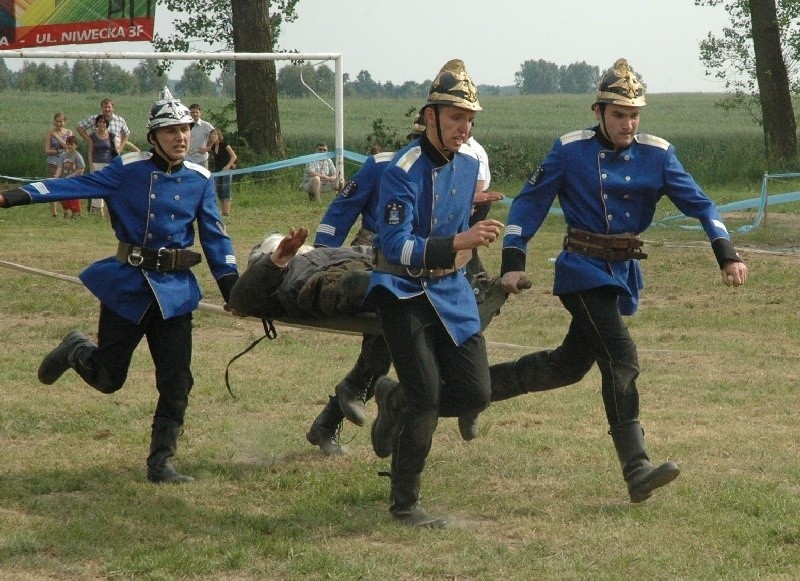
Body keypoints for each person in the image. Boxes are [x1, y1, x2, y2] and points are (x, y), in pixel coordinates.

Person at [489, 58, 749, 504]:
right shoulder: (569, 150)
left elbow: (703, 205)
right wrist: (513, 261)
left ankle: (439, 396)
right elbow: (528, 205)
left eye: (634, 115)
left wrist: (726, 253)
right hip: (581, 271)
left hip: (622, 274)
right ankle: (636, 468)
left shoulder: (658, 154)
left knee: (565, 368)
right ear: (598, 112)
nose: (628, 124)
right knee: (622, 358)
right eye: (619, 115)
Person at [0, 87, 240, 484]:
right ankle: (77, 348)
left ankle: (161, 462)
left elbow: (216, 239)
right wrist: (13, 197)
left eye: (185, 130)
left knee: (177, 379)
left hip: (176, 295)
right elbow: (70, 187)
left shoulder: (200, 180)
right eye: (171, 131)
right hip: (128, 288)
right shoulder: (127, 171)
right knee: (109, 378)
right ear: (153, 138)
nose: (181, 138)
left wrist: (233, 288)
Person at [226, 227, 510, 458]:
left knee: (401, 301)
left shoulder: (323, 251)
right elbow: (239, 301)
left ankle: (453, 303)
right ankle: (374, 292)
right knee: (339, 289)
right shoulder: (276, 274)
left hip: (373, 267)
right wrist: (277, 261)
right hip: (325, 281)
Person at [365, 59, 504, 529]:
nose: (463, 128)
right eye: (454, 118)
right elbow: (395, 244)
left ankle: (393, 400)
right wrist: (459, 243)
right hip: (400, 290)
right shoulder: (400, 169)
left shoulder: (468, 167)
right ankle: (405, 504)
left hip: (450, 288)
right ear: (430, 117)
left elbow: (459, 226)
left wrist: (468, 247)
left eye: (469, 119)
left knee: (476, 393)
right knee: (426, 397)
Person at [87, 114, 118, 218]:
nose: (102, 124)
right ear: (97, 123)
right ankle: (98, 211)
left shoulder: (111, 135)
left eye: (104, 122)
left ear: (107, 124)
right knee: (97, 187)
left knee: (109, 187)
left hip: (109, 164)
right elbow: (90, 151)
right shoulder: (93, 136)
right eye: (100, 122)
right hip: (97, 163)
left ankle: (111, 210)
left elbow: (115, 150)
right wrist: (91, 165)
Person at [44, 112, 72, 218]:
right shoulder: (49, 133)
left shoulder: (69, 133)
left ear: (64, 122)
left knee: (64, 187)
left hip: (65, 164)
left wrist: (56, 135)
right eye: (57, 121)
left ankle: (67, 209)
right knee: (52, 187)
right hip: (52, 163)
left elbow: (68, 147)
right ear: (54, 121)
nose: (59, 124)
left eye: (61, 121)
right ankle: (54, 212)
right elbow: (47, 150)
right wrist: (59, 151)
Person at [53, 135, 85, 218]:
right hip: (64, 180)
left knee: (73, 197)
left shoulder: (78, 156)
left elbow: (81, 169)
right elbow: (60, 166)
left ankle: (76, 212)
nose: (70, 146)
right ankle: (66, 211)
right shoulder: (63, 155)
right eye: (68, 144)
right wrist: (56, 176)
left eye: (72, 144)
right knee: (63, 196)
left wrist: (70, 176)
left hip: (75, 181)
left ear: (76, 145)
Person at [208, 128, 237, 217]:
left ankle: (226, 213)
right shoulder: (213, 146)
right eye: (212, 135)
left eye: (215, 134)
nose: (213, 136)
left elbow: (233, 156)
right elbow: (205, 149)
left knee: (226, 189)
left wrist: (228, 166)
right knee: (219, 190)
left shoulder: (225, 144)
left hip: (226, 171)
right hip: (217, 171)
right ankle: (222, 211)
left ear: (219, 136)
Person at [187, 103, 214, 169]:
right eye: (193, 112)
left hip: (201, 159)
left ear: (200, 113)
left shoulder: (206, 125)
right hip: (187, 159)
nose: (195, 114)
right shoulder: (186, 125)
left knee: (202, 179)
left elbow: (218, 138)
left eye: (197, 112)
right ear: (189, 113)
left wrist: (208, 148)